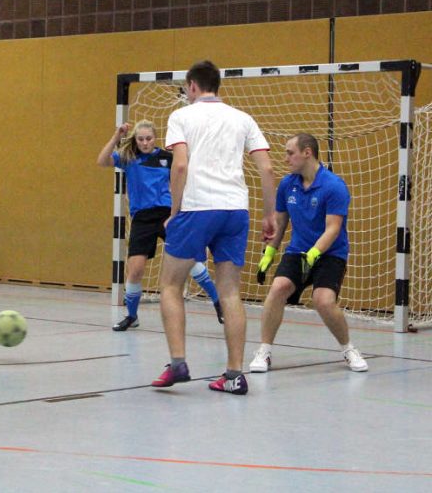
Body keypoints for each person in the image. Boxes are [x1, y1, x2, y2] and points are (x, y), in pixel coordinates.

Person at [151, 60, 276, 395]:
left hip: (197, 208)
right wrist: (269, 215)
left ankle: (178, 362)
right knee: (231, 292)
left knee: (170, 286)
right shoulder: (243, 118)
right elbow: (266, 169)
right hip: (236, 210)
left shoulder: (181, 116)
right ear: (217, 85)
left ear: (192, 86)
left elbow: (180, 165)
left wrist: (175, 211)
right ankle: (234, 374)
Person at [249, 133, 368, 373]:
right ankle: (264, 351)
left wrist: (313, 254)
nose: (285, 158)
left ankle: (348, 349)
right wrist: (269, 254)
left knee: (323, 301)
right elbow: (280, 224)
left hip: (330, 253)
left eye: (290, 153)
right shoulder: (287, 184)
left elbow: (333, 228)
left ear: (307, 153)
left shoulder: (334, 186)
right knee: (278, 288)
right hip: (297, 250)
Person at [97, 120, 223, 331]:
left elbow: (185, 179)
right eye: (140, 139)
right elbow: (102, 161)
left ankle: (219, 303)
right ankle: (132, 316)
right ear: (135, 140)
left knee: (188, 260)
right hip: (142, 219)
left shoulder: (167, 157)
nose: (145, 143)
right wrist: (116, 137)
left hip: (167, 215)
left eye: (148, 139)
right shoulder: (128, 158)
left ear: (155, 138)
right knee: (135, 270)